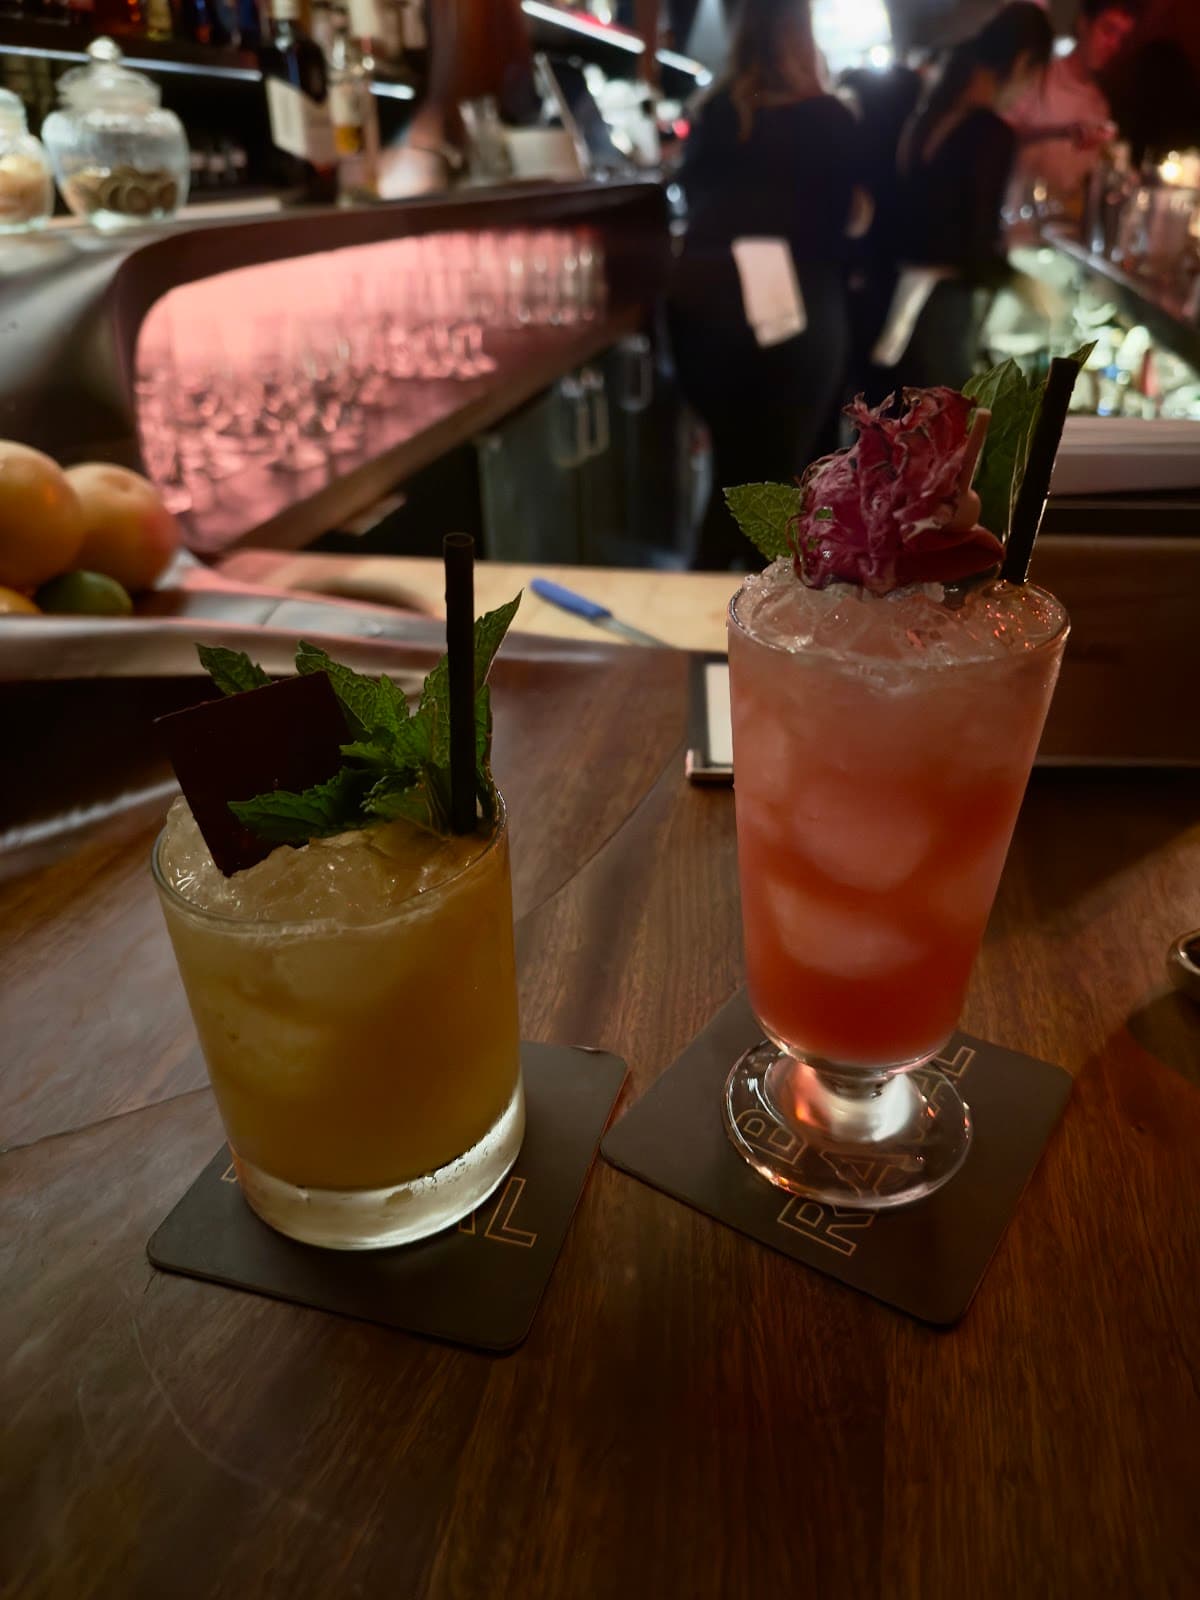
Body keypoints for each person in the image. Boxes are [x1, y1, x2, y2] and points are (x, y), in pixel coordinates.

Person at [666, 0, 863, 571]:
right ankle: (771, 635)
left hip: (701, 301)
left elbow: (692, 197)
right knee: (783, 487)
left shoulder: (714, 111)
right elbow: (843, 226)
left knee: (730, 478)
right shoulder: (830, 117)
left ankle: (700, 627)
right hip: (796, 307)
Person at [878, 2, 1054, 394]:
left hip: (896, 298)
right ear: (1023, 63)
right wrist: (1019, 282)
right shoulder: (989, 133)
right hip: (944, 311)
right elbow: (974, 243)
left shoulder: (929, 114)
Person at [1006, 0, 1141, 225]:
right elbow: (996, 136)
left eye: (1122, 38)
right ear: (1083, 24)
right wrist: (1060, 131)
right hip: (1012, 217)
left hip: (1058, 229)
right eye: (1108, 30)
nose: (1113, 44)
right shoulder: (1038, 76)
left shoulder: (1099, 105)